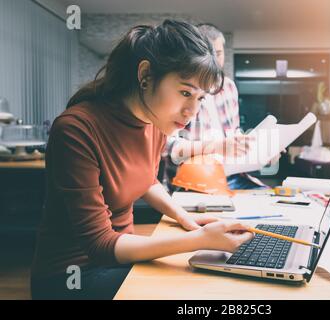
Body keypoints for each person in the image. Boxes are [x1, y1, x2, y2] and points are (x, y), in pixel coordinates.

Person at [30, 20, 254, 300]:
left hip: (121, 259)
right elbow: (99, 244)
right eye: (185, 93)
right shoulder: (76, 129)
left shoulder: (154, 121)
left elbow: (145, 178)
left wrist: (188, 220)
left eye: (199, 99)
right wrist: (199, 240)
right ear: (146, 75)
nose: (191, 111)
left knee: (215, 279)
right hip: (72, 275)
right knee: (197, 291)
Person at [166, 23, 273, 190]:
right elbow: (169, 147)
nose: (214, 61)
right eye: (209, 54)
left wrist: (259, 150)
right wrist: (219, 147)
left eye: (218, 53)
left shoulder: (229, 86)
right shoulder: (181, 89)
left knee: (271, 201)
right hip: (194, 180)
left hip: (232, 174)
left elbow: (234, 132)